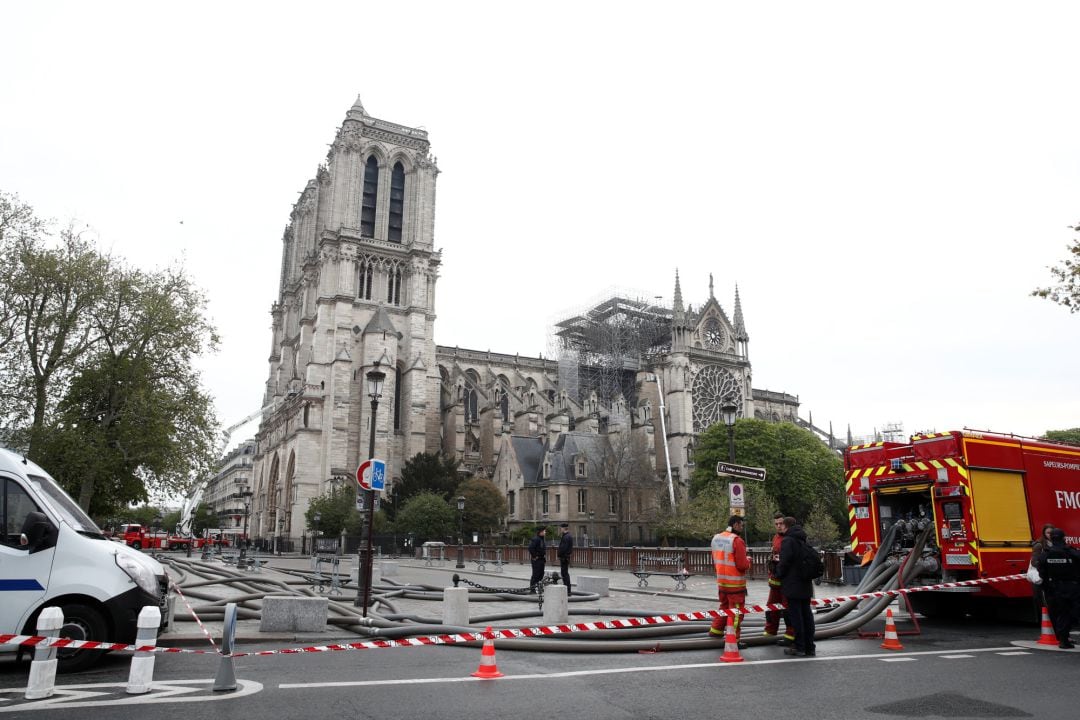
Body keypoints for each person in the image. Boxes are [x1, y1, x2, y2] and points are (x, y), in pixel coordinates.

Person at [776, 515, 816, 657]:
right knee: (807, 615)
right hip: (805, 583)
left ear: (786, 526)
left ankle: (799, 647)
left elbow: (785, 562)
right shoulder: (803, 539)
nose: (780, 527)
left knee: (796, 617)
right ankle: (810, 646)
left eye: (782, 525)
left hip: (793, 584)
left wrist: (778, 572)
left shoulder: (788, 541)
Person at [709, 515, 751, 641]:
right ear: (736, 525)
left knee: (724, 608)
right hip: (735, 584)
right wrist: (748, 561)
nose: (742, 528)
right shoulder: (737, 540)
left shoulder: (716, 538)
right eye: (741, 525)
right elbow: (742, 565)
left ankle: (716, 631)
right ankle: (733, 639)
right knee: (736, 612)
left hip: (722, 582)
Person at [1036, 527, 1080, 648]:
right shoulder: (1072, 552)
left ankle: (1063, 640)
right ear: (1064, 538)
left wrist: (1048, 587)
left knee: (1062, 614)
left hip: (1055, 589)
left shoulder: (1046, 554)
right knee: (1075, 613)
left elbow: (1041, 573)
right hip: (1073, 587)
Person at [765, 512, 795, 646]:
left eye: (781, 523)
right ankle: (771, 630)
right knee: (771, 607)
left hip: (787, 580)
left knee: (788, 609)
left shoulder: (790, 538)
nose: (778, 526)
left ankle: (791, 633)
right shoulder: (775, 538)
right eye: (776, 524)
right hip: (775, 579)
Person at [1031, 523, 1055, 617]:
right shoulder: (1039, 545)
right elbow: (1034, 562)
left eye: (1051, 533)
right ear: (1044, 533)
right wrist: (1045, 568)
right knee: (1042, 600)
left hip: (1053, 577)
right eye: (1048, 533)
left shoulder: (1057, 544)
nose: (1050, 534)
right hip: (1042, 576)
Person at [528, 527, 547, 592]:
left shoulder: (542, 539)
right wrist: (534, 556)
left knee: (541, 574)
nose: (545, 532)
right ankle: (532, 589)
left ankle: (539, 588)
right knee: (535, 574)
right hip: (537, 560)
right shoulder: (535, 539)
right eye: (544, 531)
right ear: (540, 532)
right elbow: (531, 548)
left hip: (541, 559)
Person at [557, 523, 574, 591]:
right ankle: (567, 588)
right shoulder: (567, 536)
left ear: (564, 528)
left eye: (561, 528)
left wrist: (559, 555)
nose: (560, 529)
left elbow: (563, 548)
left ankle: (567, 589)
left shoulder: (566, 537)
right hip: (565, 557)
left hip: (564, 557)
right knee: (564, 573)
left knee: (564, 573)